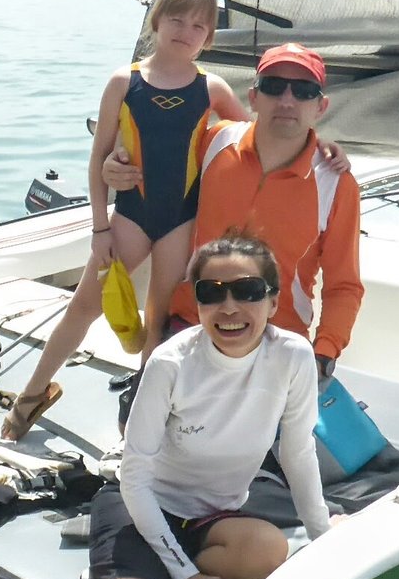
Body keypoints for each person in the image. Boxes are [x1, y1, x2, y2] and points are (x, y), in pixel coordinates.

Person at [0, 234, 336, 579]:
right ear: (196, 303)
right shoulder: (170, 362)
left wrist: (324, 538)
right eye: (211, 293)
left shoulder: (293, 355)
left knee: (268, 553)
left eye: (247, 291)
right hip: (139, 503)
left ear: (273, 301)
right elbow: (134, 476)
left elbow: (298, 452)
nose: (229, 307)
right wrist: (186, 574)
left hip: (211, 515)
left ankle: (143, 572)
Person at [0, 0, 248, 440]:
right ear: (156, 20)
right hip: (130, 216)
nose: (185, 31)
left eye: (198, 26)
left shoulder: (212, 89)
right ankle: (31, 394)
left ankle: (140, 419)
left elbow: (254, 140)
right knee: (82, 308)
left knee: (157, 320)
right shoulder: (124, 81)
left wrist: (320, 148)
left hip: (180, 220)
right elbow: (98, 159)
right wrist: (99, 228)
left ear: (209, 37)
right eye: (176, 19)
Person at [109, 42, 363, 386]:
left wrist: (323, 355)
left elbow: (343, 285)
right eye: (274, 87)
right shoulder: (214, 142)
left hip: (275, 343)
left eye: (303, 91)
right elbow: (152, 168)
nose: (287, 101)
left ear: (321, 106)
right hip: (191, 326)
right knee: (145, 433)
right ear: (254, 97)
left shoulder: (336, 184)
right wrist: (115, 164)